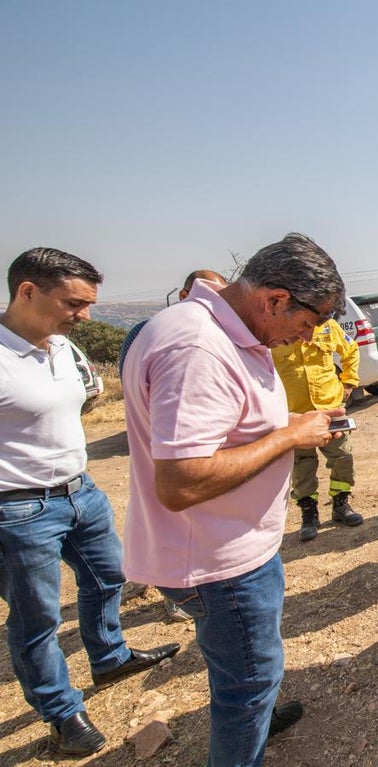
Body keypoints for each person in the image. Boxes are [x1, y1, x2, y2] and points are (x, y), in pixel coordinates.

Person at [121, 233, 347, 765]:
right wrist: (289, 438)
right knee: (247, 684)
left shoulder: (222, 330)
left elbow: (223, 429)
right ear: (274, 299)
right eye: (308, 323)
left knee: (249, 673)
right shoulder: (198, 350)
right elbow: (182, 482)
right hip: (216, 564)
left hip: (228, 550)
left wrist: (293, 423)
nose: (306, 337)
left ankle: (260, 718)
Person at [0, 248, 178, 757]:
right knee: (37, 620)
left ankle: (109, 655)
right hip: (18, 509)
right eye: (73, 303)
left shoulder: (62, 346)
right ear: (27, 291)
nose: (84, 315)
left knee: (109, 577)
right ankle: (61, 711)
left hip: (82, 492)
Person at [118, 268, 228, 622]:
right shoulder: (176, 338)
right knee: (176, 518)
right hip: (174, 448)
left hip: (184, 447)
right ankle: (173, 587)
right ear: (184, 296)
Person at [272, 316, 364, 542]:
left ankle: (341, 505)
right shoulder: (277, 331)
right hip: (296, 414)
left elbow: (350, 349)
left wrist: (349, 381)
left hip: (329, 407)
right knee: (302, 465)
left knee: (342, 456)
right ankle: (309, 514)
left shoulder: (328, 326)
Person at [118, 269, 228, 375]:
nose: (213, 305)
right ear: (183, 295)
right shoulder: (139, 332)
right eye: (207, 298)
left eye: (222, 300)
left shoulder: (225, 337)